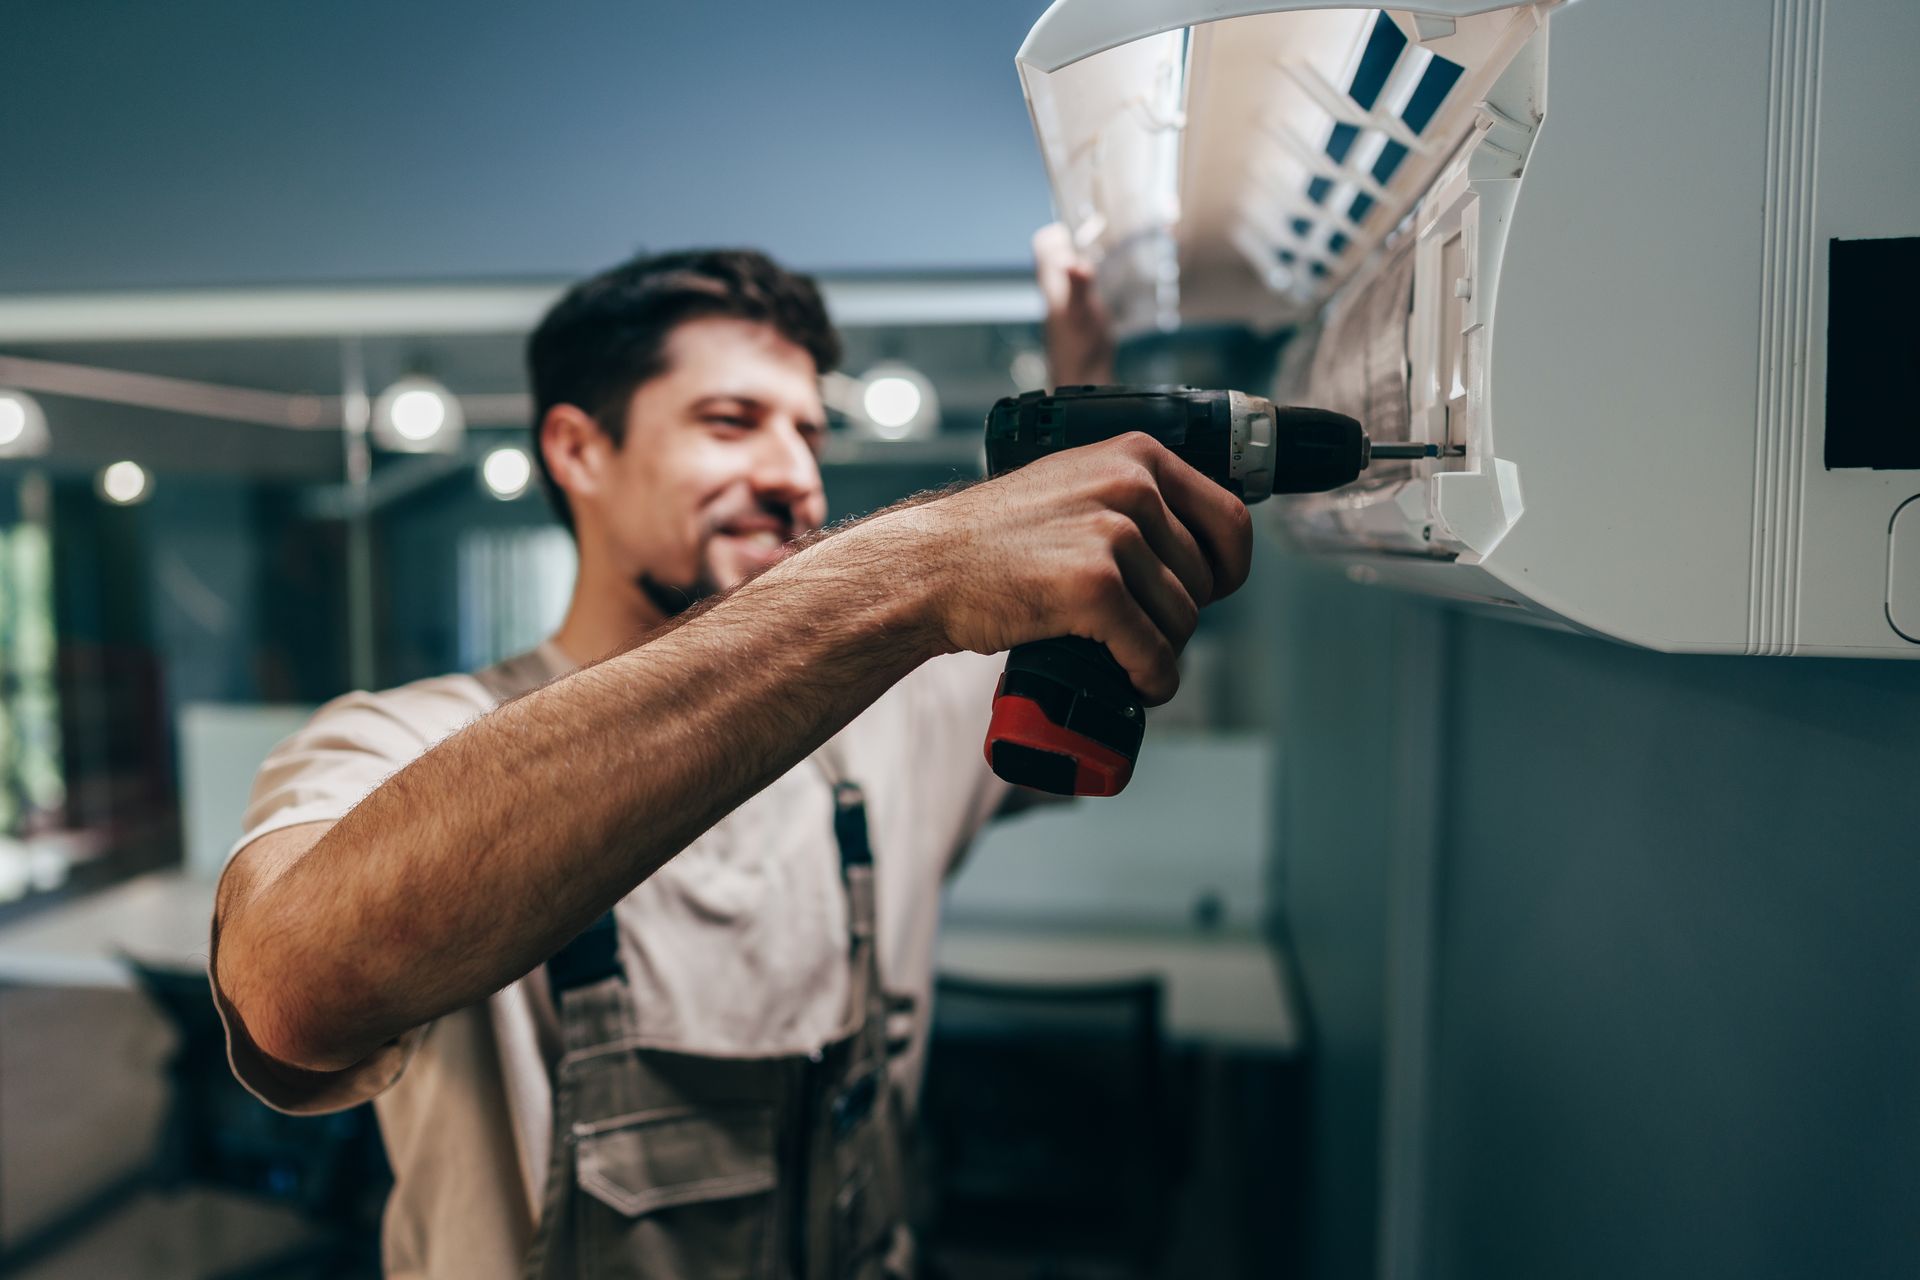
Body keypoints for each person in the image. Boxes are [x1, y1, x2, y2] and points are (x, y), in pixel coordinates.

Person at [208, 229, 1250, 1280]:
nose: (794, 475)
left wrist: (1087, 403)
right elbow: (291, 985)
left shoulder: (889, 722)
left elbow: (1081, 609)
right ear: (578, 450)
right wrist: (911, 566)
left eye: (807, 430)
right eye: (730, 421)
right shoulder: (398, 739)